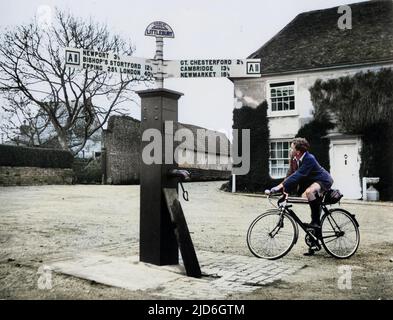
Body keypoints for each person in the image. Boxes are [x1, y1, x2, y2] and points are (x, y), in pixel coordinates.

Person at [270, 138, 334, 230]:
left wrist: (279, 186)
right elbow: (290, 173)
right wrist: (283, 189)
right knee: (306, 196)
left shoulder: (309, 159)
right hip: (312, 181)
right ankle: (315, 233)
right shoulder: (294, 158)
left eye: (291, 148)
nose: (289, 150)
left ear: (298, 151)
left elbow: (298, 175)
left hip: (323, 179)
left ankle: (315, 222)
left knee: (309, 192)